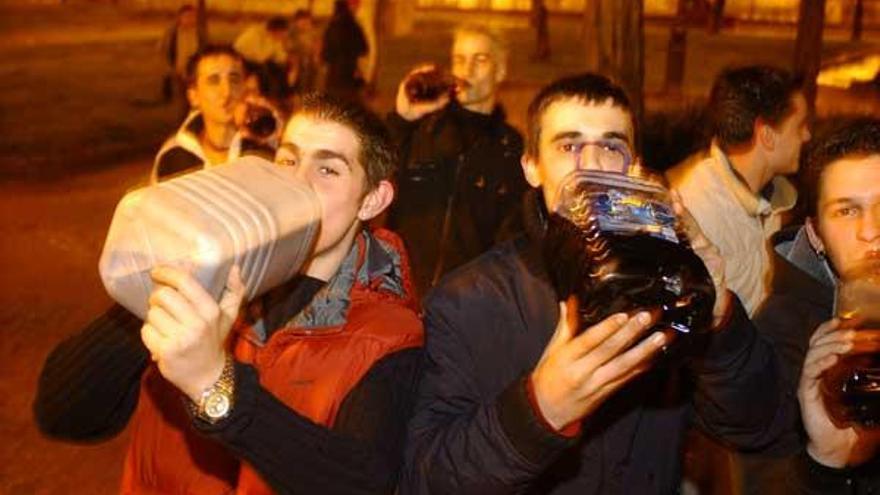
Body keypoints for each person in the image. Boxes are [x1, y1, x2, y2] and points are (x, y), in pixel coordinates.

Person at [400, 73, 790, 494]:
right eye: (568, 146)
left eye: (610, 146)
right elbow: (427, 478)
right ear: (531, 167)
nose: (591, 165)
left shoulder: (663, 288)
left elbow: (760, 426)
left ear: (634, 166)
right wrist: (538, 411)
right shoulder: (465, 301)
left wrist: (719, 317)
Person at [34, 94, 424, 494]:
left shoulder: (389, 336)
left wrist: (214, 384)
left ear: (373, 199)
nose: (298, 183)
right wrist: (153, 288)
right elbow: (62, 413)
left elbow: (363, 481)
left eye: (327, 169)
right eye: (289, 160)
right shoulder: (213, 269)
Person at [745, 118, 880, 493]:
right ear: (816, 235)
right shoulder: (782, 337)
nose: (870, 230)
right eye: (846, 211)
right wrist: (826, 462)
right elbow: (757, 481)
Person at [386, 24, 527, 295]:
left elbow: (510, 242)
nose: (467, 70)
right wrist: (401, 119)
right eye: (459, 60)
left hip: (464, 305)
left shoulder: (511, 147)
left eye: (480, 60)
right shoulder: (422, 126)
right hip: (398, 295)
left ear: (500, 71)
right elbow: (371, 176)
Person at [667, 65, 810, 316]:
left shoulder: (769, 198)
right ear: (767, 135)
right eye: (799, 126)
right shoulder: (698, 211)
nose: (807, 135)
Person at [151, 45, 278, 183]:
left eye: (234, 80)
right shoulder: (173, 156)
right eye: (213, 81)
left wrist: (284, 144)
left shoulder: (266, 147)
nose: (227, 91)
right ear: (194, 96)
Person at [233, 16, 291, 99]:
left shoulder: (275, 39)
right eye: (282, 33)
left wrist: (288, 63)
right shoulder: (255, 33)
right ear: (276, 30)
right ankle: (265, 96)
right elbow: (259, 56)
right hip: (242, 59)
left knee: (281, 69)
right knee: (265, 72)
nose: (283, 36)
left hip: (260, 61)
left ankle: (283, 97)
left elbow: (280, 56)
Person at [321, 0, 368, 101]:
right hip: (348, 76)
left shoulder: (331, 25)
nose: (357, 7)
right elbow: (363, 49)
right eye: (355, 4)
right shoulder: (352, 25)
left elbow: (325, 55)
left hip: (333, 77)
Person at [158, 4, 198, 114]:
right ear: (180, 18)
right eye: (186, 16)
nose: (189, 19)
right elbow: (164, 50)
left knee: (197, 101)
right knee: (184, 103)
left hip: (195, 72)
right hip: (179, 72)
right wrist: (170, 69)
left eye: (192, 16)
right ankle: (183, 125)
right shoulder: (173, 33)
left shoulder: (199, 32)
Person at [287, 9, 321, 97]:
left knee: (312, 83)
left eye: (308, 21)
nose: (306, 24)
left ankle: (310, 100)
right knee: (300, 84)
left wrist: (316, 56)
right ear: (296, 21)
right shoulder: (292, 33)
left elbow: (317, 44)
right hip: (297, 63)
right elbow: (290, 49)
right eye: (303, 21)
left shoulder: (313, 32)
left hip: (311, 62)